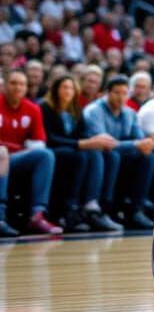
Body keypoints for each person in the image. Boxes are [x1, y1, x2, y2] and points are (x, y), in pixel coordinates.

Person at [40, 74, 122, 232]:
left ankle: (97, 207)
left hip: (72, 149)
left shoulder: (75, 109)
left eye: (71, 87)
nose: (68, 91)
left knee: (104, 154)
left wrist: (97, 139)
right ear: (56, 89)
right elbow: (50, 138)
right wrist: (82, 143)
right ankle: (70, 208)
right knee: (81, 156)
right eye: (64, 87)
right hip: (52, 150)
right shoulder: (45, 107)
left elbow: (83, 134)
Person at [82, 75, 154, 229]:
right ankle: (104, 210)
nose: (121, 97)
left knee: (148, 157)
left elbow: (140, 140)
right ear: (107, 93)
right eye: (117, 92)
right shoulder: (94, 110)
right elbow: (105, 143)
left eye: (124, 93)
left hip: (119, 153)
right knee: (113, 155)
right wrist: (136, 144)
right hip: (95, 154)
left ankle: (136, 209)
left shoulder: (130, 113)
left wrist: (145, 143)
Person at [0, 69, 63, 236]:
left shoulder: (33, 109)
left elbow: (39, 143)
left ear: (27, 88)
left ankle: (37, 215)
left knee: (46, 155)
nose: (17, 87)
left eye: (22, 84)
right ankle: (0, 216)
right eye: (13, 83)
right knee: (2, 152)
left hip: (16, 158)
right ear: (4, 86)